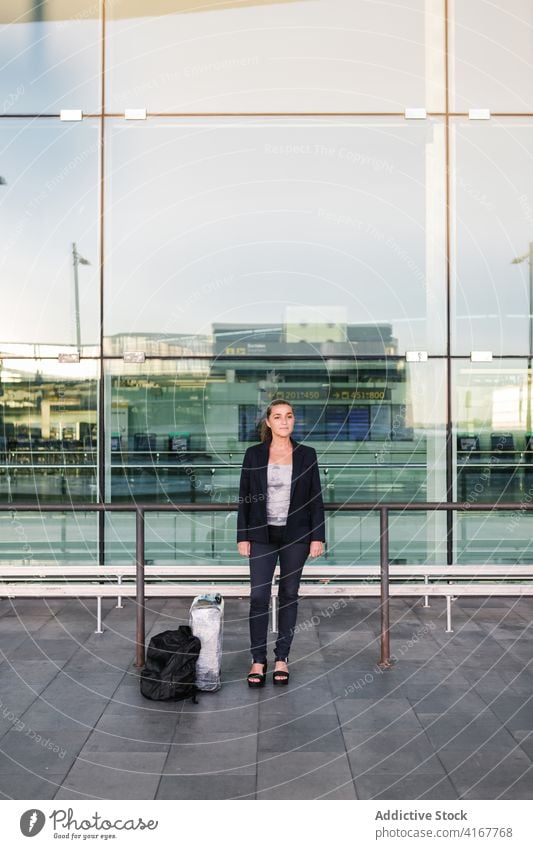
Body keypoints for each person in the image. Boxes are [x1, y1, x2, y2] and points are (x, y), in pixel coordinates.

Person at [236, 398, 325, 686]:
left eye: (288, 416)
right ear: (269, 422)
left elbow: (315, 499)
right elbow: (244, 497)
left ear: (293, 421)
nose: (284, 421)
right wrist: (243, 535)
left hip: (296, 536)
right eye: (278, 416)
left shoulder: (306, 455)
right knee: (259, 597)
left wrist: (317, 537)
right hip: (261, 535)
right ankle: (258, 660)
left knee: (289, 595)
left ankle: (282, 658)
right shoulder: (254, 455)